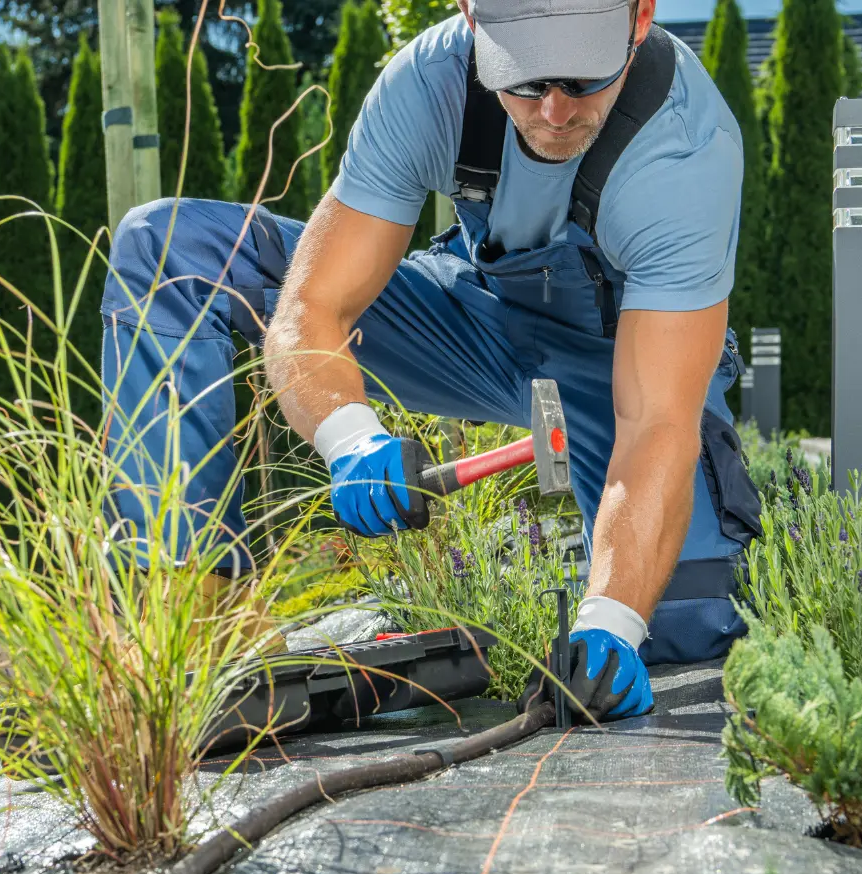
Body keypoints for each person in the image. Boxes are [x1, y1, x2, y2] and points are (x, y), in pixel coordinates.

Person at [100, 0, 763, 722]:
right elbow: (313, 306)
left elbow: (657, 422)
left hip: (615, 365)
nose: (554, 110)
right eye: (523, 79)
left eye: (582, 77)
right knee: (171, 251)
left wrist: (613, 621)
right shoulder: (430, 82)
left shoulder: (684, 149)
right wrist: (350, 438)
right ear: (473, 21)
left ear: (639, 17)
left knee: (681, 619)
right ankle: (191, 618)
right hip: (474, 322)